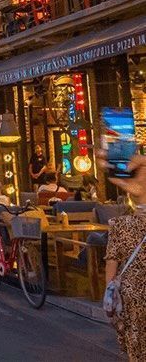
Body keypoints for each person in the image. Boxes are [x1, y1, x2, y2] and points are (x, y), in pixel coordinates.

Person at [102, 154, 146, 361]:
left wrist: (109, 296)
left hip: (131, 295)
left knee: (135, 346)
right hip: (133, 294)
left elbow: (111, 263)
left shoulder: (120, 225)